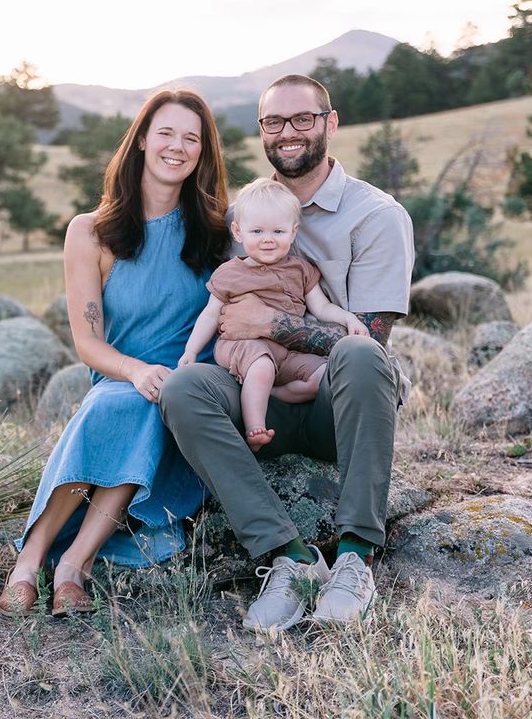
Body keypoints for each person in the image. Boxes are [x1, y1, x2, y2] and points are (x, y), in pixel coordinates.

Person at [160, 74, 415, 631]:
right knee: (183, 389)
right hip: (258, 394)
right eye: (274, 122)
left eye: (303, 119)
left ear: (331, 123)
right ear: (261, 131)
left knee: (364, 357)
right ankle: (289, 559)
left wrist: (272, 322)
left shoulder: (377, 216)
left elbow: (368, 339)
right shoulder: (243, 215)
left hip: (333, 401)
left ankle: (355, 556)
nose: (289, 132)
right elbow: (209, 306)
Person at [0, 90, 230, 616]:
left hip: (189, 389)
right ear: (143, 139)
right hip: (119, 376)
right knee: (121, 403)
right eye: (166, 133)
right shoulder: (91, 231)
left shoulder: (217, 231)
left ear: (203, 153)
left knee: (152, 401)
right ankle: (29, 562)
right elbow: (87, 343)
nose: (177, 146)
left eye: (191, 138)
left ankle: (73, 566)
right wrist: (136, 370)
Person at [177, 178, 369, 452]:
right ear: (238, 232)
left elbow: (322, 307)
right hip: (241, 346)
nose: (268, 239)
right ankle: (255, 427)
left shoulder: (301, 270)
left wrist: (348, 319)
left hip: (286, 351)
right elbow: (210, 315)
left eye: (278, 231)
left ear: (293, 232)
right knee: (262, 367)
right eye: (257, 231)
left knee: (324, 376)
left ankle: (277, 393)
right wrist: (191, 351)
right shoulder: (230, 273)